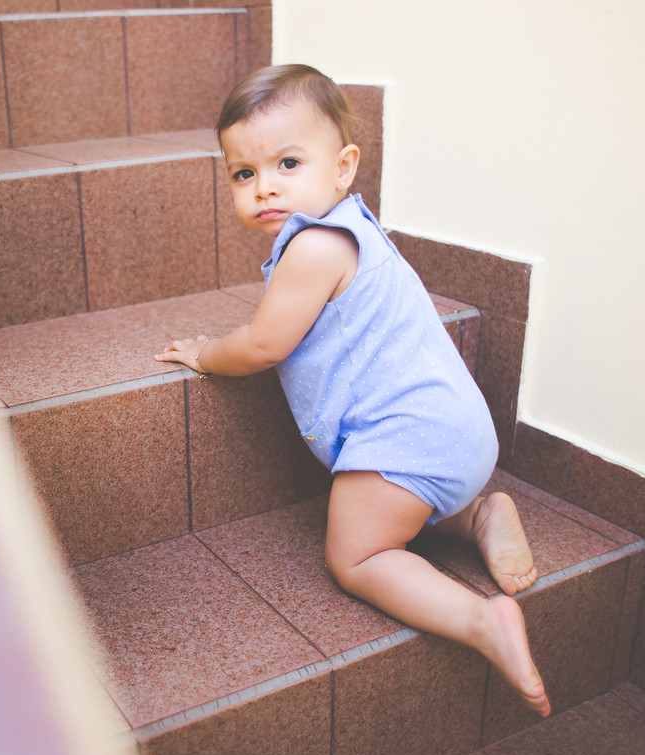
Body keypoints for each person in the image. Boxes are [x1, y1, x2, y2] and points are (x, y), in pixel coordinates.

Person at [156, 64, 550, 717]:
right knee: (407, 496)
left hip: (411, 439)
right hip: (454, 433)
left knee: (357, 552)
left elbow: (261, 344)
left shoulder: (314, 248)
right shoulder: (356, 227)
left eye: (287, 162)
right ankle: (479, 512)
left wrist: (205, 354)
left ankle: (482, 622)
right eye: (243, 173)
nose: (264, 187)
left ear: (343, 168)